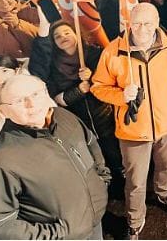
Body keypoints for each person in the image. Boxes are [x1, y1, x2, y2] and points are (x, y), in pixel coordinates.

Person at [91, 3, 167, 238]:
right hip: (133, 130)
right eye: (136, 23)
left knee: (166, 166)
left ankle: (164, 191)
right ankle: (135, 219)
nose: (142, 28)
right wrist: (120, 96)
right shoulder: (113, 51)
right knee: (136, 181)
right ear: (129, 23)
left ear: (157, 22)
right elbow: (98, 87)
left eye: (147, 23)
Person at [0, 75, 110, 239]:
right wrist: (61, 234)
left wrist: (102, 179)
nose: (32, 104)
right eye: (19, 101)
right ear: (3, 110)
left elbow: (90, 143)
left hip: (95, 225)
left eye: (36, 94)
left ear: (46, 93)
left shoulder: (64, 117)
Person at [30, 15, 124, 199]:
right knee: (95, 156)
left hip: (105, 115)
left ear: (76, 34)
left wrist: (93, 75)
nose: (63, 37)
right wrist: (79, 91)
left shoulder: (95, 54)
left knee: (115, 150)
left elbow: (113, 81)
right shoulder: (53, 66)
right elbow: (56, 98)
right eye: (57, 36)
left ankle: (124, 180)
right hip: (78, 120)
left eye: (67, 32)